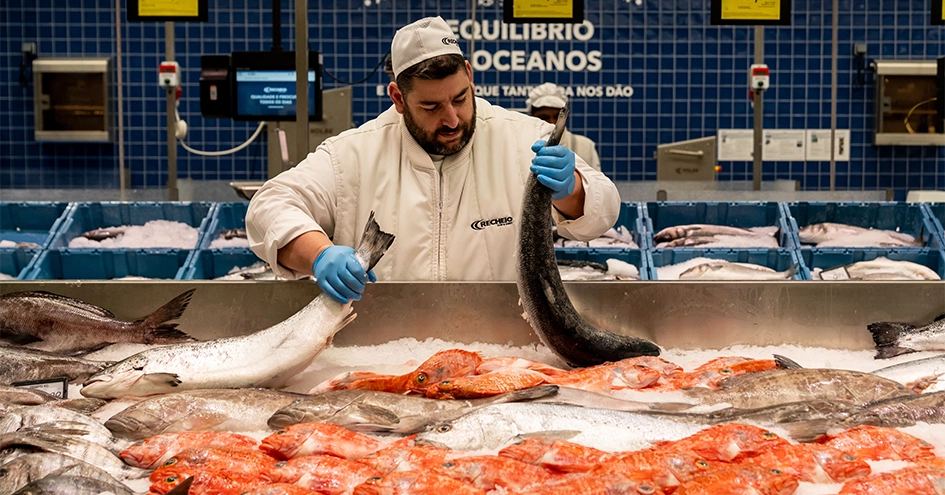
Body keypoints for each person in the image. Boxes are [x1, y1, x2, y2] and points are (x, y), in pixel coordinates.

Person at [246, 16, 620, 303]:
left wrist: (573, 190)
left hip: (502, 348)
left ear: (470, 77)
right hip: (384, 353)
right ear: (397, 98)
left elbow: (605, 208)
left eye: (460, 98)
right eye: (431, 106)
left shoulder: (522, 139)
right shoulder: (353, 155)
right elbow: (269, 206)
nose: (452, 119)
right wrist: (319, 254)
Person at [526, 82, 602, 172]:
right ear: (532, 116)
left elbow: (598, 184)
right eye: (543, 118)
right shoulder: (520, 145)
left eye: (557, 117)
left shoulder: (585, 147)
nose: (552, 123)